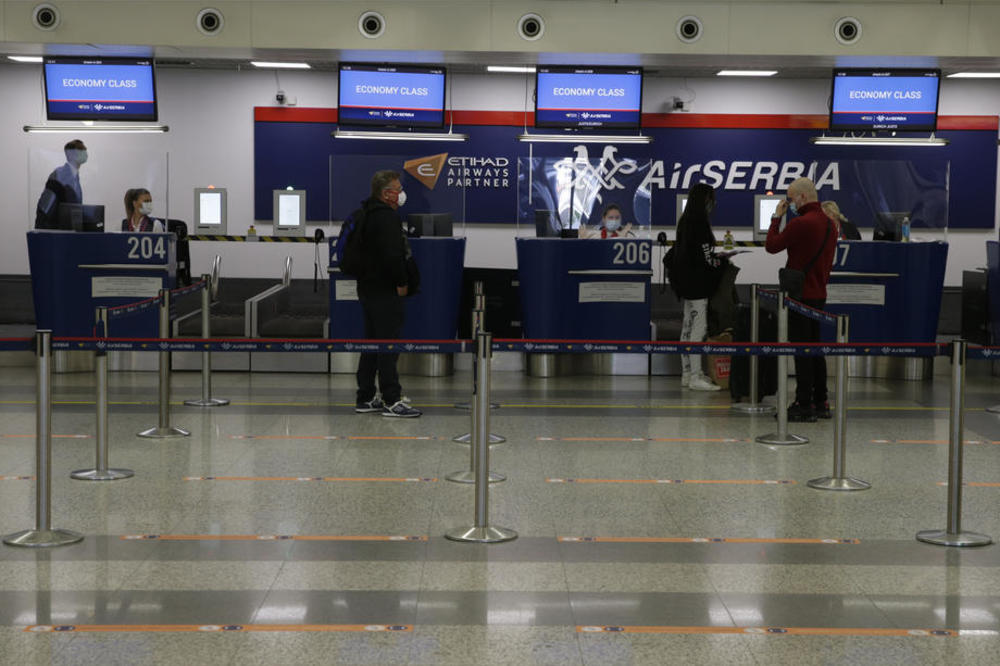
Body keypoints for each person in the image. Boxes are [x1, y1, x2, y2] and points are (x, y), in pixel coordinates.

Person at [766, 177, 837, 422]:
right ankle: (821, 401)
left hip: (799, 296)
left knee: (801, 350)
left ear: (802, 197)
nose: (789, 202)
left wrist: (777, 218)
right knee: (816, 349)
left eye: (791, 197)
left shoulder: (800, 223)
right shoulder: (831, 225)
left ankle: (803, 402)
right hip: (819, 294)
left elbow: (772, 246)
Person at [354, 170, 421, 418]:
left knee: (372, 343)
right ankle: (392, 399)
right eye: (397, 188)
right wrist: (402, 282)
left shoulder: (365, 214)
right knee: (388, 345)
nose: (401, 193)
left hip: (368, 289)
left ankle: (366, 396)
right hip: (385, 291)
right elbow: (394, 256)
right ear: (386, 193)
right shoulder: (387, 218)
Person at [668, 183, 729, 391]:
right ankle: (695, 376)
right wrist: (721, 261)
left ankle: (687, 373)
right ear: (705, 200)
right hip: (698, 286)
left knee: (687, 327)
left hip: (685, 284)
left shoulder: (684, 221)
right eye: (711, 199)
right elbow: (705, 258)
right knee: (698, 328)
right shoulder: (700, 223)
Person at [34, 139, 87, 229]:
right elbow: (45, 208)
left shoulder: (75, 177)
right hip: (55, 234)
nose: (85, 153)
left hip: (68, 232)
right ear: (70, 154)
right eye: (81, 150)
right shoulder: (59, 175)